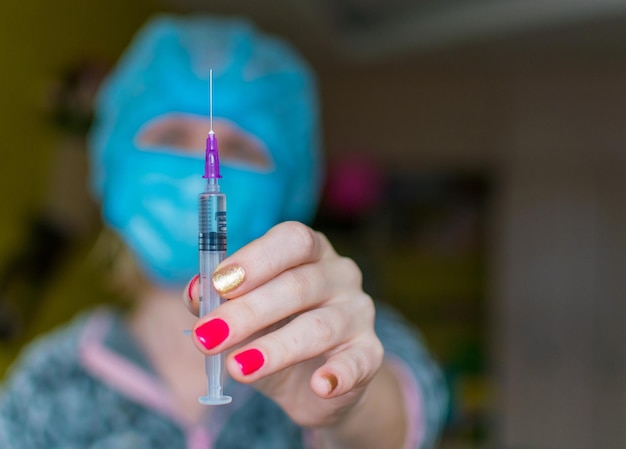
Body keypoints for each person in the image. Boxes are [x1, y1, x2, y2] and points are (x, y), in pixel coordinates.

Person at [0, 14, 448, 449]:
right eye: (172, 136)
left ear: (288, 187)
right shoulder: (46, 386)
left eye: (241, 148)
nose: (202, 169)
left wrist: (344, 398)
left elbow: (394, 427)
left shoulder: (347, 328)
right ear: (115, 165)